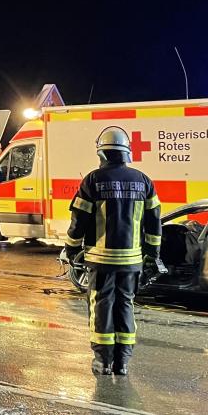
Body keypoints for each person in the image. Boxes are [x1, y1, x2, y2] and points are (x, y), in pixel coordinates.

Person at [65, 126, 162, 376]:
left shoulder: (93, 180)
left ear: (102, 153)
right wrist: (152, 254)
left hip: (101, 260)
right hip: (132, 261)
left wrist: (71, 248)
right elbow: (154, 223)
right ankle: (123, 362)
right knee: (125, 305)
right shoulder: (143, 181)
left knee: (101, 306)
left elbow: (79, 222)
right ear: (126, 152)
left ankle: (103, 361)